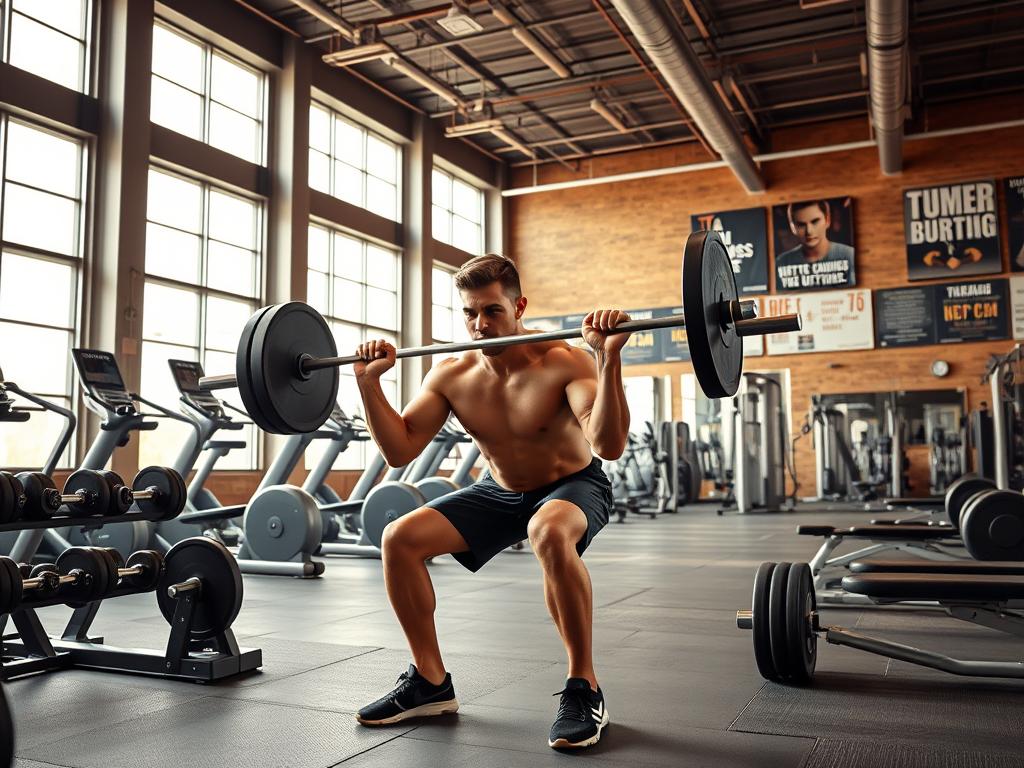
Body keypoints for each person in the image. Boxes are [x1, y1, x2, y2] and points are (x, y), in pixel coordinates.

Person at [351, 253, 630, 750]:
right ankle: (430, 682)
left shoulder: (564, 359)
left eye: (492, 312)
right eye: (469, 313)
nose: (480, 325)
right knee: (400, 539)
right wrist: (369, 385)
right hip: (498, 489)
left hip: (572, 485)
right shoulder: (452, 373)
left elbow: (606, 445)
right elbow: (399, 450)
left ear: (518, 305)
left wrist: (609, 359)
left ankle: (584, 687)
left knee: (547, 531)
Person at [775, 199, 854, 270]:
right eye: (801, 224)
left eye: (815, 221)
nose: (809, 231)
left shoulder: (849, 256)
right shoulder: (782, 262)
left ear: (827, 220)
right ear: (792, 228)